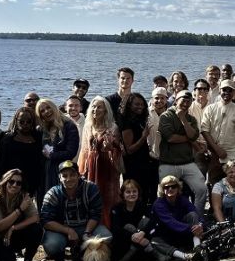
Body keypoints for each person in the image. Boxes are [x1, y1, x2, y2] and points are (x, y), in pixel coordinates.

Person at [40, 160, 111, 261]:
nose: (68, 179)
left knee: (106, 237)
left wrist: (86, 233)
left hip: (86, 227)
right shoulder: (52, 193)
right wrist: (68, 231)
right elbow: (46, 221)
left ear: (79, 175)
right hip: (62, 230)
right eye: (64, 176)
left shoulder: (91, 188)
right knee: (52, 245)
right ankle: (59, 256)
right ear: (60, 178)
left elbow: (95, 214)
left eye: (72, 175)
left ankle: (85, 253)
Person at [110, 179, 185, 261]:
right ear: (123, 194)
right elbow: (116, 229)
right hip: (125, 243)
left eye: (134, 191)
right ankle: (155, 253)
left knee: (148, 225)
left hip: (142, 240)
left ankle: (181, 256)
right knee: (128, 226)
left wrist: (142, 233)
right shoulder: (117, 209)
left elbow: (153, 222)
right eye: (128, 192)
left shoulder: (142, 206)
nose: (132, 194)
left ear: (138, 193)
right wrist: (132, 236)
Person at [158, 89, 208, 213]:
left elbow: (194, 136)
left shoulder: (191, 119)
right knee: (164, 193)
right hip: (168, 163)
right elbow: (170, 138)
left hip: (187, 162)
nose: (186, 103)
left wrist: (183, 120)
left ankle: (197, 218)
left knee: (201, 189)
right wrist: (188, 138)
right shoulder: (166, 116)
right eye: (183, 100)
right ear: (175, 101)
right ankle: (166, 218)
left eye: (189, 100)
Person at [77, 96, 123, 228]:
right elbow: (84, 150)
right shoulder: (88, 126)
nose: (95, 109)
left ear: (106, 110)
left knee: (108, 197)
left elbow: (118, 150)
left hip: (107, 166)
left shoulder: (112, 127)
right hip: (91, 166)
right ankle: (92, 226)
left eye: (99, 106)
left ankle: (109, 226)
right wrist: (82, 169)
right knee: (92, 196)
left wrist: (110, 148)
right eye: (93, 106)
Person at [0, 169, 41, 261]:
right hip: (0, 237)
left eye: (19, 183)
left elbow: (35, 218)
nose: (15, 185)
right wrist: (19, 210)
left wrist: (13, 228)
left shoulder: (24, 197)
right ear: (5, 182)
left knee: (36, 229)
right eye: (11, 181)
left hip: (14, 234)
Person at [201, 79, 235, 184]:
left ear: (233, 92)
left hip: (233, 153)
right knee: (214, 184)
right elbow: (204, 131)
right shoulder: (210, 109)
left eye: (230, 90)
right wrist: (217, 149)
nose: (226, 92)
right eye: (224, 90)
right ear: (219, 91)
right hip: (214, 153)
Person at [35, 98, 80, 200]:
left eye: (48, 107)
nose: (46, 111)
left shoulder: (69, 126)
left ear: (54, 107)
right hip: (43, 172)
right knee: (44, 201)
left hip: (61, 171)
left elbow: (71, 152)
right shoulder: (40, 129)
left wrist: (52, 156)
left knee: (60, 201)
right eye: (42, 111)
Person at [0, 106, 44, 196]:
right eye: (21, 121)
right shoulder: (7, 139)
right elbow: (0, 164)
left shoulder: (38, 138)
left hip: (33, 183)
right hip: (12, 184)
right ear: (16, 121)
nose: (25, 124)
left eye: (29, 121)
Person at [151, 174, 203, 255]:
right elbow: (171, 223)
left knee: (192, 215)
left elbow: (195, 212)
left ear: (178, 188)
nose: (170, 189)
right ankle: (183, 256)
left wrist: (200, 225)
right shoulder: (158, 204)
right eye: (166, 187)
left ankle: (198, 247)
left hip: (183, 232)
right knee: (154, 242)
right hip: (166, 235)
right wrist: (192, 229)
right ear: (162, 189)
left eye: (173, 186)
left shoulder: (182, 199)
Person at [119, 92, 156, 205]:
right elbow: (129, 149)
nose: (140, 106)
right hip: (133, 165)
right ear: (129, 105)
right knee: (133, 192)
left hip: (143, 161)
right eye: (136, 104)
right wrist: (144, 137)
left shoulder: (139, 120)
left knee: (145, 191)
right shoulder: (127, 123)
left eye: (142, 104)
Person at [147, 87, 169, 160]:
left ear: (166, 99)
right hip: (148, 154)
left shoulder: (170, 115)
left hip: (166, 155)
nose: (159, 100)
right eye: (156, 98)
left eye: (162, 98)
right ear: (152, 99)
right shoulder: (145, 114)